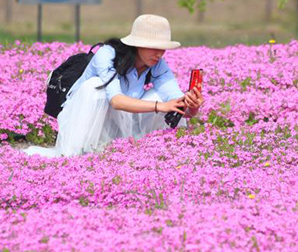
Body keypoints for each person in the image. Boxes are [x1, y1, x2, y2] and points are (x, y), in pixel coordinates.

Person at [24, 14, 203, 157]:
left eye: (162, 48)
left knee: (159, 95)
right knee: (94, 87)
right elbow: (116, 100)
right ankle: (79, 152)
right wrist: (160, 106)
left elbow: (175, 102)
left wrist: (191, 107)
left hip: (121, 121)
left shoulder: (158, 65)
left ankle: (151, 151)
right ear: (137, 44)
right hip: (82, 119)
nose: (159, 53)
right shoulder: (107, 54)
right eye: (152, 47)